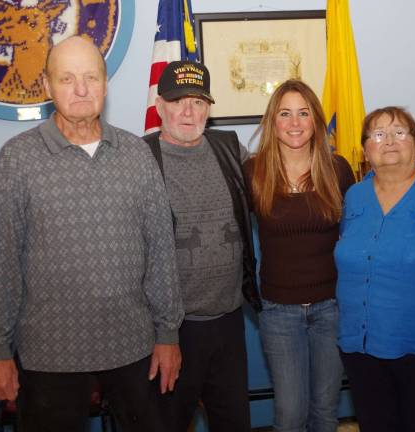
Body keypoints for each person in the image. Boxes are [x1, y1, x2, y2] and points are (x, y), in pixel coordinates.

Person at [0, 36, 182, 431]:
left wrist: (168, 333)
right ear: (48, 87)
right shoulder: (18, 159)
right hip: (49, 355)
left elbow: (161, 251)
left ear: (105, 84)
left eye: (91, 77)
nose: (81, 89)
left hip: (134, 348)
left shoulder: (136, 154)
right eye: (67, 79)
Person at [143, 60, 261, 432]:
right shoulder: (140, 157)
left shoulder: (230, 149)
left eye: (198, 101)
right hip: (170, 331)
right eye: (178, 101)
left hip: (229, 322)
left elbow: (276, 184)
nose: (188, 111)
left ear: (209, 108)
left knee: (234, 422)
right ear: (160, 105)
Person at [334, 106, 415, 432]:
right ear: (365, 149)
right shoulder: (354, 196)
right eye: (378, 134)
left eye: (399, 132)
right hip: (361, 347)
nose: (389, 141)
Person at [242, 79, 355, 432]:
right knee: (290, 415)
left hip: (332, 309)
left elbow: (356, 238)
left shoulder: (338, 170)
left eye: (303, 113)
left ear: (316, 121)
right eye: (285, 114)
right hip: (279, 313)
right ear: (272, 122)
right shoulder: (253, 173)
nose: (294, 123)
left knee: (324, 412)